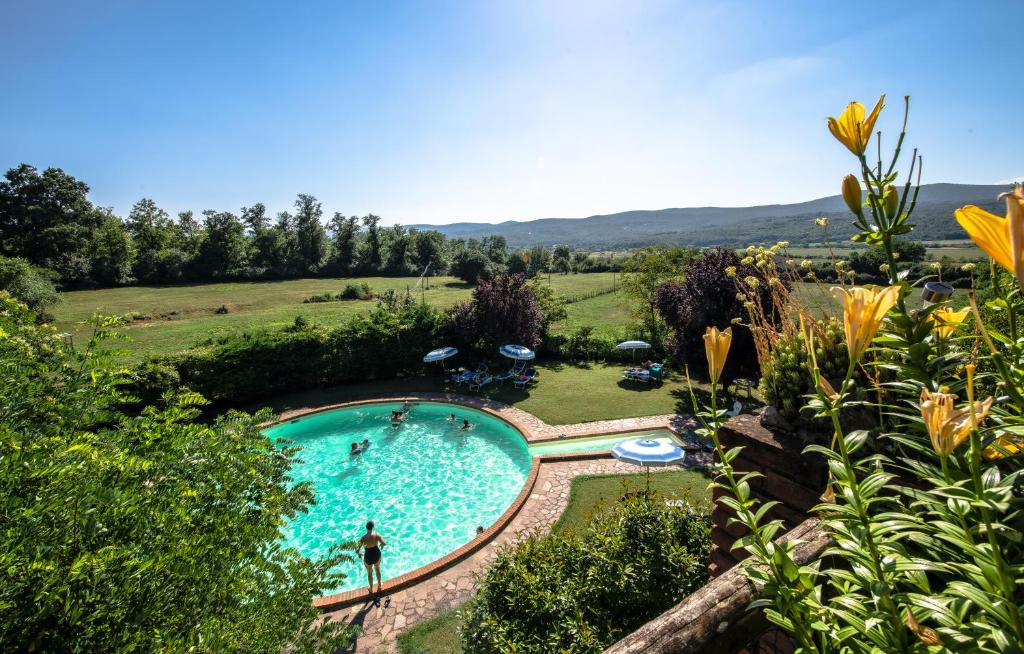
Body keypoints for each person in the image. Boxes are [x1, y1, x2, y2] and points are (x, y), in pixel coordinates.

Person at [356, 521, 386, 596]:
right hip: (376, 554)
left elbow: (357, 550)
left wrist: (359, 554)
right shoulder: (376, 535)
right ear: (373, 527)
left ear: (366, 528)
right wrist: (381, 546)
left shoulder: (363, 538)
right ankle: (379, 585)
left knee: (369, 572)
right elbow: (384, 543)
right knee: (377, 569)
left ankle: (371, 589)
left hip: (368, 556)